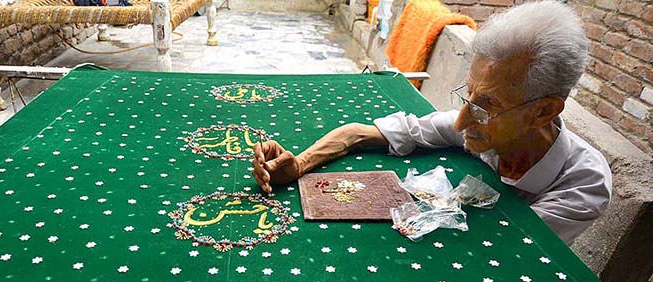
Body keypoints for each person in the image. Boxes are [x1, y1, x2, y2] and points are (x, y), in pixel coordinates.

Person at [252, 0, 611, 245]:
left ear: (543, 113)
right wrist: (300, 163)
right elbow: (356, 135)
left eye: (486, 105)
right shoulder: (478, 130)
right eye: (466, 95)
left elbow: (502, 251)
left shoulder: (581, 184)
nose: (461, 120)